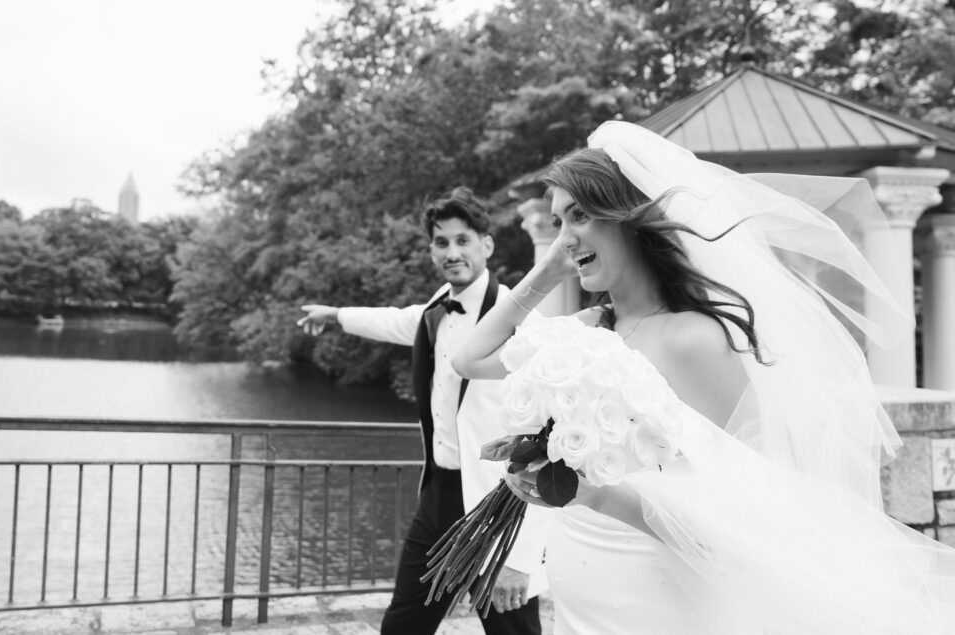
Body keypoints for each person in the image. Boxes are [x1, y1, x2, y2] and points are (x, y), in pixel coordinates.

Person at [452, 121, 955, 634]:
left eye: (580, 215)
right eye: (558, 221)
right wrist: (548, 272)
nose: (565, 237)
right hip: (582, 594)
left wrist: (595, 495)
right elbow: (469, 358)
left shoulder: (695, 339)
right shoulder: (588, 329)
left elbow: (747, 517)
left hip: (658, 600)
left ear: (629, 219)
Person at [296, 187, 547, 635]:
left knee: (514, 633)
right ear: (431, 249)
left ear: (486, 245)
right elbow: (394, 319)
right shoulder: (435, 310)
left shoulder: (522, 318)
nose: (452, 252)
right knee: (403, 624)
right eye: (441, 242)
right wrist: (336, 314)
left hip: (494, 502)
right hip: (437, 495)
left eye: (463, 240)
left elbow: (547, 442)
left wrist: (522, 556)